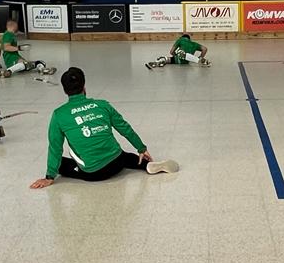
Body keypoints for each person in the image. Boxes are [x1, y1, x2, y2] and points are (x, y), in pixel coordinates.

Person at [29, 66, 178, 188]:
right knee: (123, 156)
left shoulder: (59, 115)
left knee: (60, 164)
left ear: (65, 90)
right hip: (118, 162)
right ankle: (146, 165)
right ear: (84, 85)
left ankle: (80, 168)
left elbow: (55, 147)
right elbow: (124, 128)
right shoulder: (102, 105)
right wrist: (141, 148)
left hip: (94, 173)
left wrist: (49, 176)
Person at [145, 32, 210, 69]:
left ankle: (158, 62)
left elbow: (171, 52)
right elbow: (205, 49)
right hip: (187, 62)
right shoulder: (195, 44)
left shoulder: (180, 40)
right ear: (189, 39)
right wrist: (201, 57)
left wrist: (175, 55)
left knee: (164, 58)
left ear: (182, 38)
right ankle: (197, 59)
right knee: (182, 54)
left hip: (178, 60)